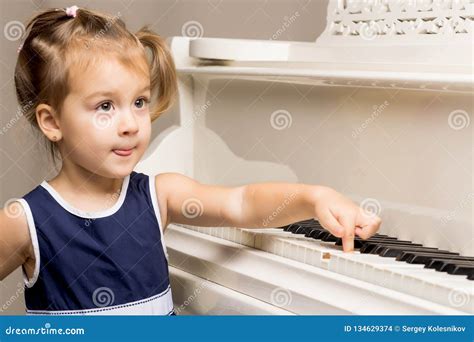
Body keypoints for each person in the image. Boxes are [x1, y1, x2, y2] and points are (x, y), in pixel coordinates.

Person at [0, 5, 381, 315]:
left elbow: (241, 202)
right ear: (51, 122)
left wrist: (313, 197)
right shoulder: (25, 221)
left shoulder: (158, 194)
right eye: (105, 106)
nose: (131, 124)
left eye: (139, 102)